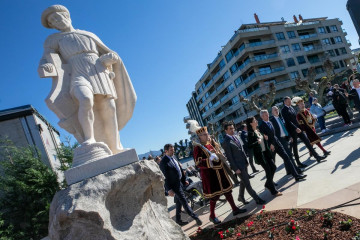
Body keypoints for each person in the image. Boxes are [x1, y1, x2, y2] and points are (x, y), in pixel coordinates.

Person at [38, 5, 136, 154]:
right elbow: (46, 58)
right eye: (53, 21)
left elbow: (109, 53)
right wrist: (47, 67)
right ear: (52, 26)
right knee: (84, 99)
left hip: (99, 71)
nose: (57, 21)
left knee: (109, 108)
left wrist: (111, 58)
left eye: (58, 17)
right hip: (77, 74)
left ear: (67, 16)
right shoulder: (53, 40)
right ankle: (90, 139)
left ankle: (116, 146)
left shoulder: (88, 34)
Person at [193, 126, 247, 224]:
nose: (207, 135)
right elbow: (198, 163)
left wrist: (217, 153)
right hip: (210, 175)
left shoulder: (210, 143)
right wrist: (209, 159)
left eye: (207, 133)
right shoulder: (198, 148)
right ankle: (212, 216)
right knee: (215, 196)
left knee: (227, 191)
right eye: (204, 134)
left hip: (220, 171)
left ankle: (234, 209)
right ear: (199, 136)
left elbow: (217, 153)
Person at [222, 122, 266, 205]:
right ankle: (257, 199)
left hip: (244, 163)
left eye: (233, 128)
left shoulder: (235, 137)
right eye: (230, 129)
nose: (232, 130)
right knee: (247, 184)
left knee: (243, 181)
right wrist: (235, 169)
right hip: (238, 166)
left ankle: (240, 196)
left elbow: (241, 149)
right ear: (226, 131)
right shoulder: (226, 142)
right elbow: (229, 157)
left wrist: (246, 161)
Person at [159, 144, 202, 226]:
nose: (173, 151)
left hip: (180, 183)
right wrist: (169, 189)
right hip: (174, 186)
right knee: (184, 201)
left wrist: (184, 180)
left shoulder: (173, 157)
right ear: (166, 151)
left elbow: (179, 169)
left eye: (173, 150)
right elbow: (164, 177)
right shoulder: (163, 162)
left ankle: (178, 220)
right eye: (171, 150)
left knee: (179, 202)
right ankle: (196, 217)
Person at [259, 110, 306, 181]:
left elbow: (273, 135)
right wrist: (270, 145)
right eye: (265, 115)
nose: (268, 116)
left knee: (287, 158)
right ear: (262, 116)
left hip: (278, 144)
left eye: (268, 114)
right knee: (272, 165)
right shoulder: (261, 126)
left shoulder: (270, 122)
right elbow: (264, 137)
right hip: (271, 147)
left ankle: (296, 175)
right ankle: (269, 182)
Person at [281, 96, 327, 165]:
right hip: (292, 130)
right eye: (288, 101)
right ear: (285, 102)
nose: (290, 102)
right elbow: (288, 121)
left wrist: (300, 128)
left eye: (290, 100)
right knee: (295, 147)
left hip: (298, 129)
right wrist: (295, 128)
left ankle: (317, 157)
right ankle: (298, 162)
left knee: (307, 142)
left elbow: (295, 120)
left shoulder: (291, 108)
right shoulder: (283, 110)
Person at [245, 117, 282, 196]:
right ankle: (273, 191)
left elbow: (262, 140)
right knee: (268, 170)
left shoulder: (257, 130)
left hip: (266, 153)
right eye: (255, 120)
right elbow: (249, 146)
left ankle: (267, 184)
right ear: (251, 123)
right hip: (260, 155)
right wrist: (257, 142)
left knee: (273, 167)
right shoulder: (250, 133)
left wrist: (265, 138)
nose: (256, 121)